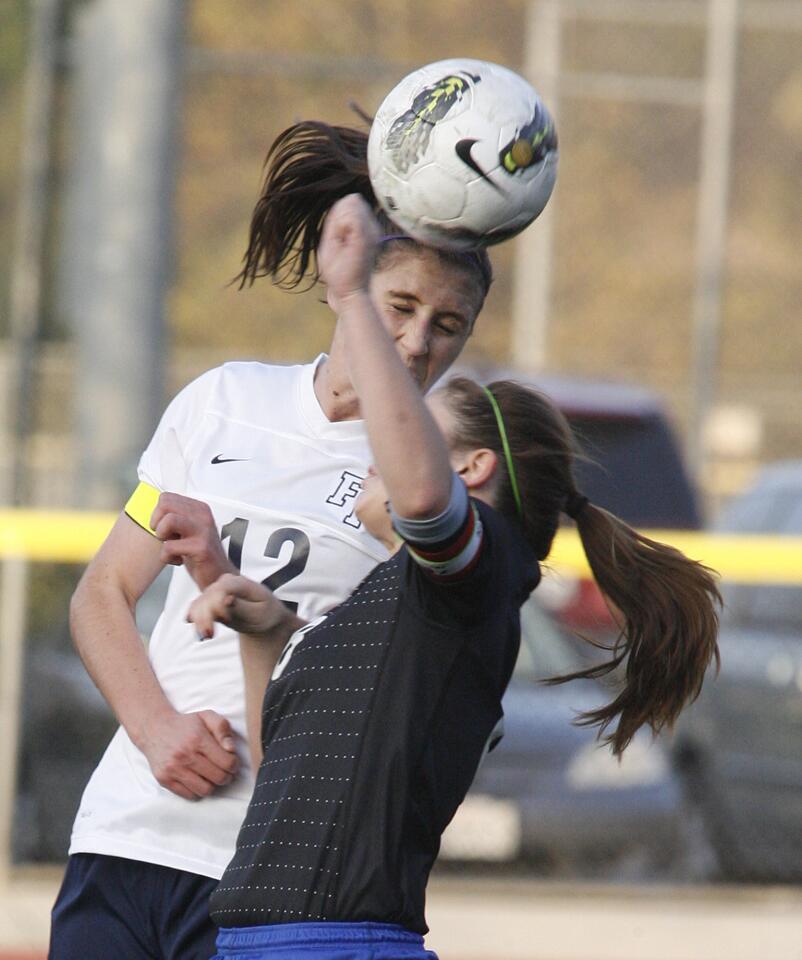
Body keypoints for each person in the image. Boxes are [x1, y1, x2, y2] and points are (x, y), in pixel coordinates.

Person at [185, 195, 721, 960]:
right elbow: (284, 792)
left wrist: (353, 299)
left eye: (416, 430)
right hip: (267, 942)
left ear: (473, 469)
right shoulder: (387, 596)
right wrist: (266, 636)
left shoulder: (478, 575)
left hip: (338, 945)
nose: (385, 438)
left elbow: (427, 500)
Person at [49, 123, 493, 960]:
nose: (418, 341)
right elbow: (102, 593)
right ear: (351, 289)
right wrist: (156, 732)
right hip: (127, 837)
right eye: (400, 307)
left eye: (449, 323)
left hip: (277, 880)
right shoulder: (224, 401)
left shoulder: (426, 487)